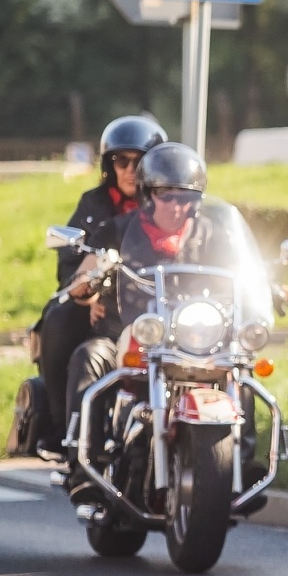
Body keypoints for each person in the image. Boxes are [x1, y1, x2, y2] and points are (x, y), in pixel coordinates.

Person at [63, 143, 210, 500]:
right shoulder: (116, 230)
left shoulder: (209, 233)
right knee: (90, 357)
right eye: (166, 196)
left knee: (239, 367)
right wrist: (87, 282)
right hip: (125, 332)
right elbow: (81, 279)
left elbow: (240, 268)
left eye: (185, 198)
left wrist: (266, 285)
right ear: (148, 195)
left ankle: (243, 457)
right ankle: (84, 465)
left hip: (192, 338)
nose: (177, 206)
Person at [36, 115, 166, 452]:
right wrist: (87, 292)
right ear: (110, 164)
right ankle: (61, 427)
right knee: (60, 319)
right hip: (98, 297)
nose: (130, 169)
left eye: (139, 162)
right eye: (121, 161)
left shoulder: (169, 205)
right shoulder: (93, 204)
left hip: (155, 300)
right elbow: (69, 262)